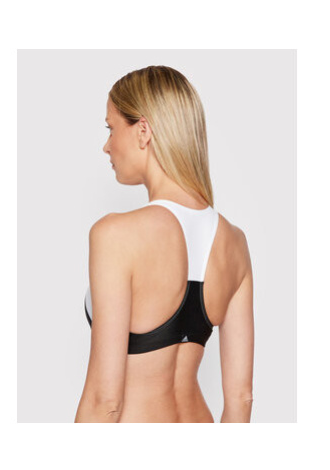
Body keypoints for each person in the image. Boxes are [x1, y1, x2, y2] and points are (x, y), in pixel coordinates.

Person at [74, 65, 254, 423]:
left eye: (111, 128)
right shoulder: (234, 242)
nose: (107, 146)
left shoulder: (116, 234)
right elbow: (241, 398)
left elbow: (104, 400)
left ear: (143, 131)